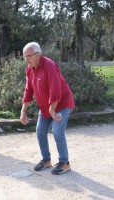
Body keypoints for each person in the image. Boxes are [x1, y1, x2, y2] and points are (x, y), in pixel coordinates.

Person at [20, 42, 75, 175]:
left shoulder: (49, 65)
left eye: (29, 56)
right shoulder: (29, 69)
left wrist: (52, 109)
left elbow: (55, 89)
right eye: (24, 56)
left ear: (38, 55)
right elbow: (28, 91)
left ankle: (65, 163)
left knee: (57, 131)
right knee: (40, 131)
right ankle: (46, 160)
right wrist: (23, 111)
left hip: (61, 104)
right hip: (46, 107)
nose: (26, 59)